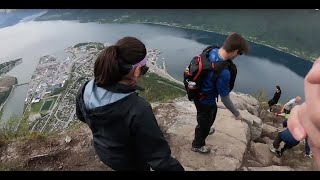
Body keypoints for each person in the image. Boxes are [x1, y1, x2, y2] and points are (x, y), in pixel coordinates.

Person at [75, 37, 184, 171]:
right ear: (137, 71)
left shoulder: (86, 88)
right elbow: (158, 158)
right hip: (132, 161)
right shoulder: (138, 108)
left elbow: (81, 116)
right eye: (144, 70)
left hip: (104, 152)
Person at [189, 32, 249, 154]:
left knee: (211, 113)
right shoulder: (223, 72)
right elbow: (225, 99)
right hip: (205, 100)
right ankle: (197, 144)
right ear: (235, 51)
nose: (238, 56)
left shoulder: (212, 50)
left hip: (198, 93)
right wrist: (236, 113)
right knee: (204, 121)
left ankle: (206, 128)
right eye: (240, 53)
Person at [288, 57, 320, 169]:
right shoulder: (292, 102)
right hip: (288, 112)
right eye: (298, 100)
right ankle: (307, 152)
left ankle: (307, 152)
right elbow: (286, 107)